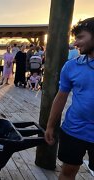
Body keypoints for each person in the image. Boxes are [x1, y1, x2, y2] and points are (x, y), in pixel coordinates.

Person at [45, 17, 94, 180]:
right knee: (67, 172)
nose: (75, 43)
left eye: (80, 37)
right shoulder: (71, 66)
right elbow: (61, 97)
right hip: (74, 130)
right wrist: (50, 126)